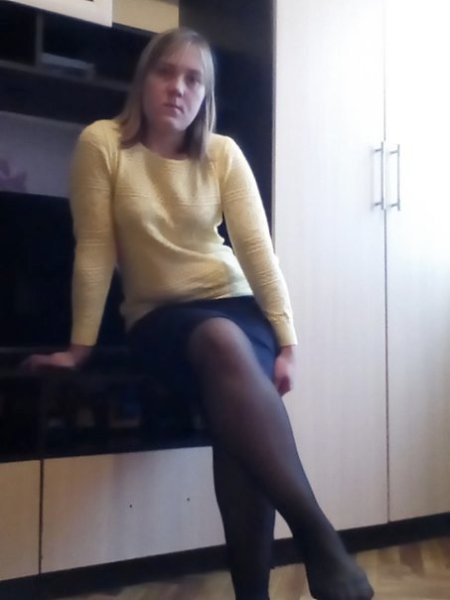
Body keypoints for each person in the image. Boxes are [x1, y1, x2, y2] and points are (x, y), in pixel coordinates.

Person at [25, 27, 374, 600]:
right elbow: (94, 250)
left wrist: (288, 342)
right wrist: (79, 348)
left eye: (193, 79)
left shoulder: (222, 154)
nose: (178, 88)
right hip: (160, 318)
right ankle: (319, 540)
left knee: (238, 429)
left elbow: (256, 251)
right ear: (144, 79)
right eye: (166, 72)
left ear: (205, 94)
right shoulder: (103, 144)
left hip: (237, 307)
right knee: (220, 344)